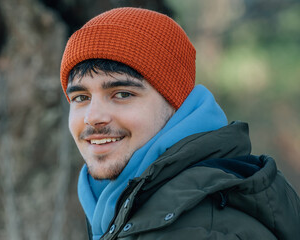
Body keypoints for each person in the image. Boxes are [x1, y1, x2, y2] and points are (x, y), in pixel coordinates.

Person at [60, 7, 300, 240]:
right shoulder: (124, 206)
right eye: (81, 97)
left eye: (122, 94)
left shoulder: (199, 228)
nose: (93, 117)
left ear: (176, 104)